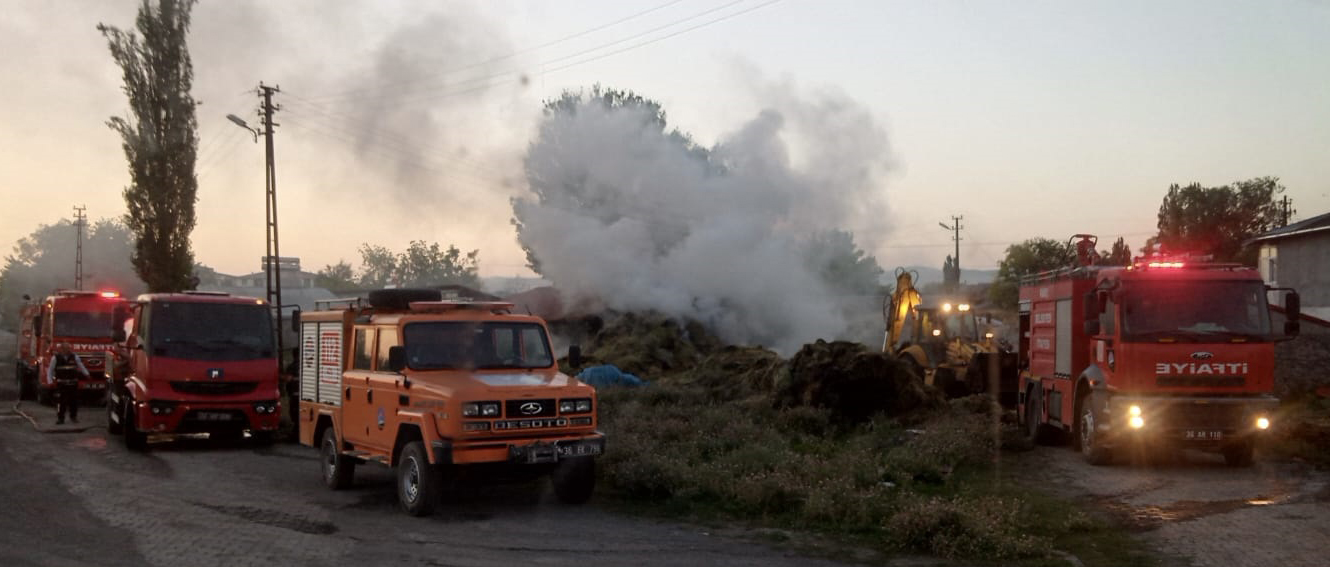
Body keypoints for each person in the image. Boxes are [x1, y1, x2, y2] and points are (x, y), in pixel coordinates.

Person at [47, 343, 89, 425]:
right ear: (62, 349)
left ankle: (73, 417)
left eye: (69, 348)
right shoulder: (55, 358)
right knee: (61, 402)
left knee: (73, 401)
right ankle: (60, 418)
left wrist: (87, 374)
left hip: (73, 383)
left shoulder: (75, 357)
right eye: (67, 348)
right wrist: (50, 381)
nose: (69, 350)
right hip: (61, 384)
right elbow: (50, 370)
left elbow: (81, 366)